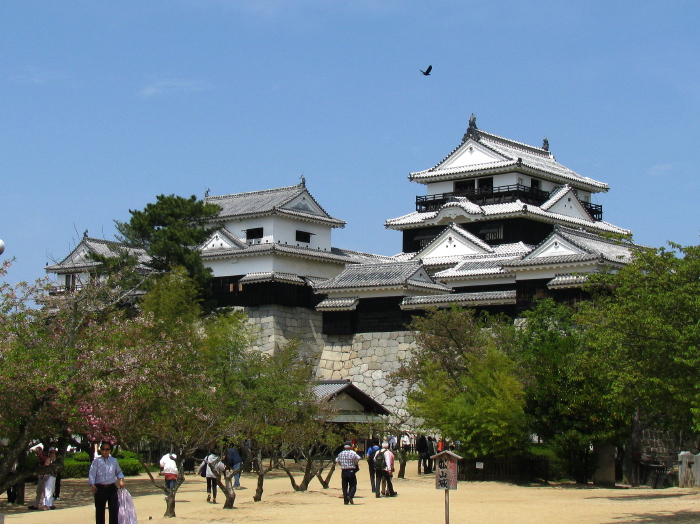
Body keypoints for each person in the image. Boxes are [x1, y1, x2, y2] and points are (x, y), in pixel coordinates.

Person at [88, 441, 125, 524]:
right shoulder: (96, 461)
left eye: (107, 449)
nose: (105, 451)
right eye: (103, 449)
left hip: (111, 488)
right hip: (100, 489)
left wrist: (121, 480)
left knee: (114, 510)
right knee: (100, 512)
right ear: (100, 450)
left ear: (110, 450)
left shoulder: (114, 461)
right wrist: (92, 484)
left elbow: (119, 472)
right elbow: (92, 473)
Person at [335, 441, 361, 505]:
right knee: (353, 485)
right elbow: (358, 458)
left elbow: (337, 460)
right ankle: (350, 495)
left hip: (344, 471)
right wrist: (354, 463)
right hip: (351, 470)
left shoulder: (341, 453)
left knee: (344, 486)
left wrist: (341, 464)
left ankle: (345, 500)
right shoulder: (352, 453)